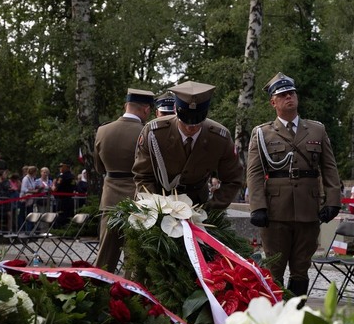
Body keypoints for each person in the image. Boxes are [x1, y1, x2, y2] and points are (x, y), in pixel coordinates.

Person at [247, 72, 342, 295]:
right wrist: (258, 207)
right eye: (282, 95)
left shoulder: (317, 130)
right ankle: (275, 312)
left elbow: (329, 167)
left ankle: (297, 311)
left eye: (291, 93)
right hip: (275, 212)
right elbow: (254, 173)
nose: (289, 97)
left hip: (308, 210)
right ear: (273, 103)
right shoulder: (262, 133)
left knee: (301, 268)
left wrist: (333, 201)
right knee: (275, 267)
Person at [133, 80, 243, 209]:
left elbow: (232, 178)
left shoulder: (219, 138)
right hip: (157, 201)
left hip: (198, 204)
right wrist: (156, 208)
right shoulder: (154, 133)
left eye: (197, 122)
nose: (191, 128)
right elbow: (143, 175)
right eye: (184, 122)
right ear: (175, 109)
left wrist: (212, 208)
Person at [95, 88, 154, 272]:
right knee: (134, 258)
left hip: (110, 198)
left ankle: (98, 287)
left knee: (105, 256)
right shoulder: (147, 132)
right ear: (146, 109)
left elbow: (99, 168)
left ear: (125, 106)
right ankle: (129, 289)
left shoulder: (103, 130)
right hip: (138, 199)